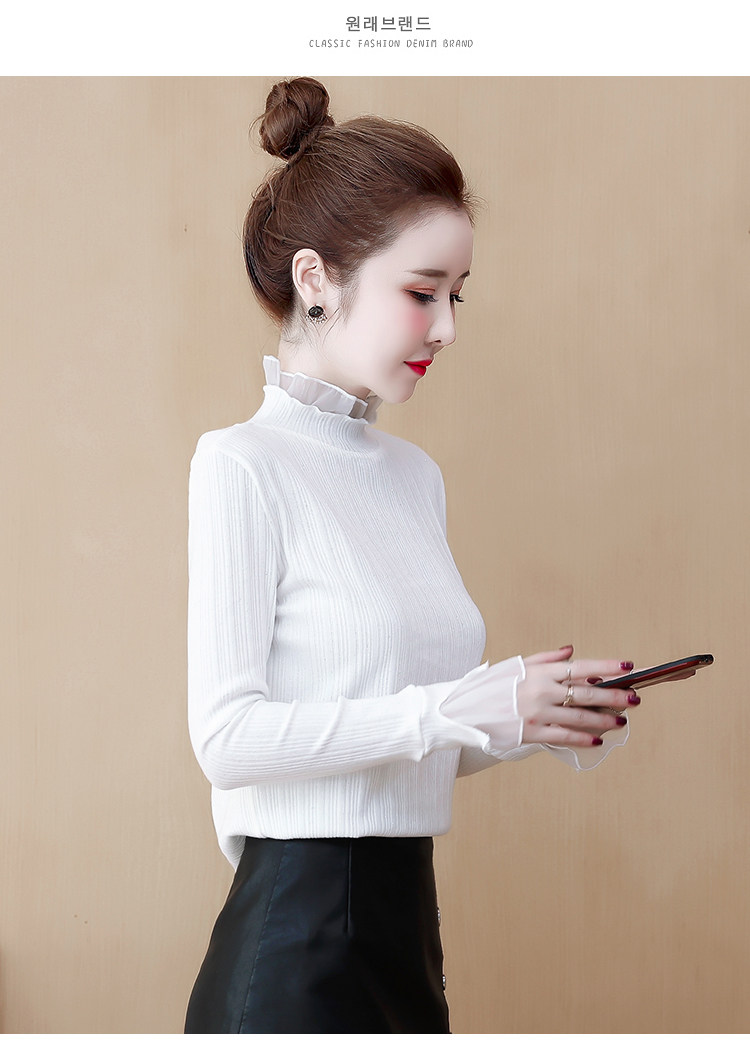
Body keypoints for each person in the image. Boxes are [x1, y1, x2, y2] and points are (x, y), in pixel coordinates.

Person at [184, 77, 637, 1034]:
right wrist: (454, 707)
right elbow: (227, 738)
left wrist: (527, 718)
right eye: (422, 291)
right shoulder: (241, 464)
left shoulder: (412, 476)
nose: (448, 326)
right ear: (316, 278)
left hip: (406, 932)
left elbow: (401, 746)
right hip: (294, 947)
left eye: (456, 294)